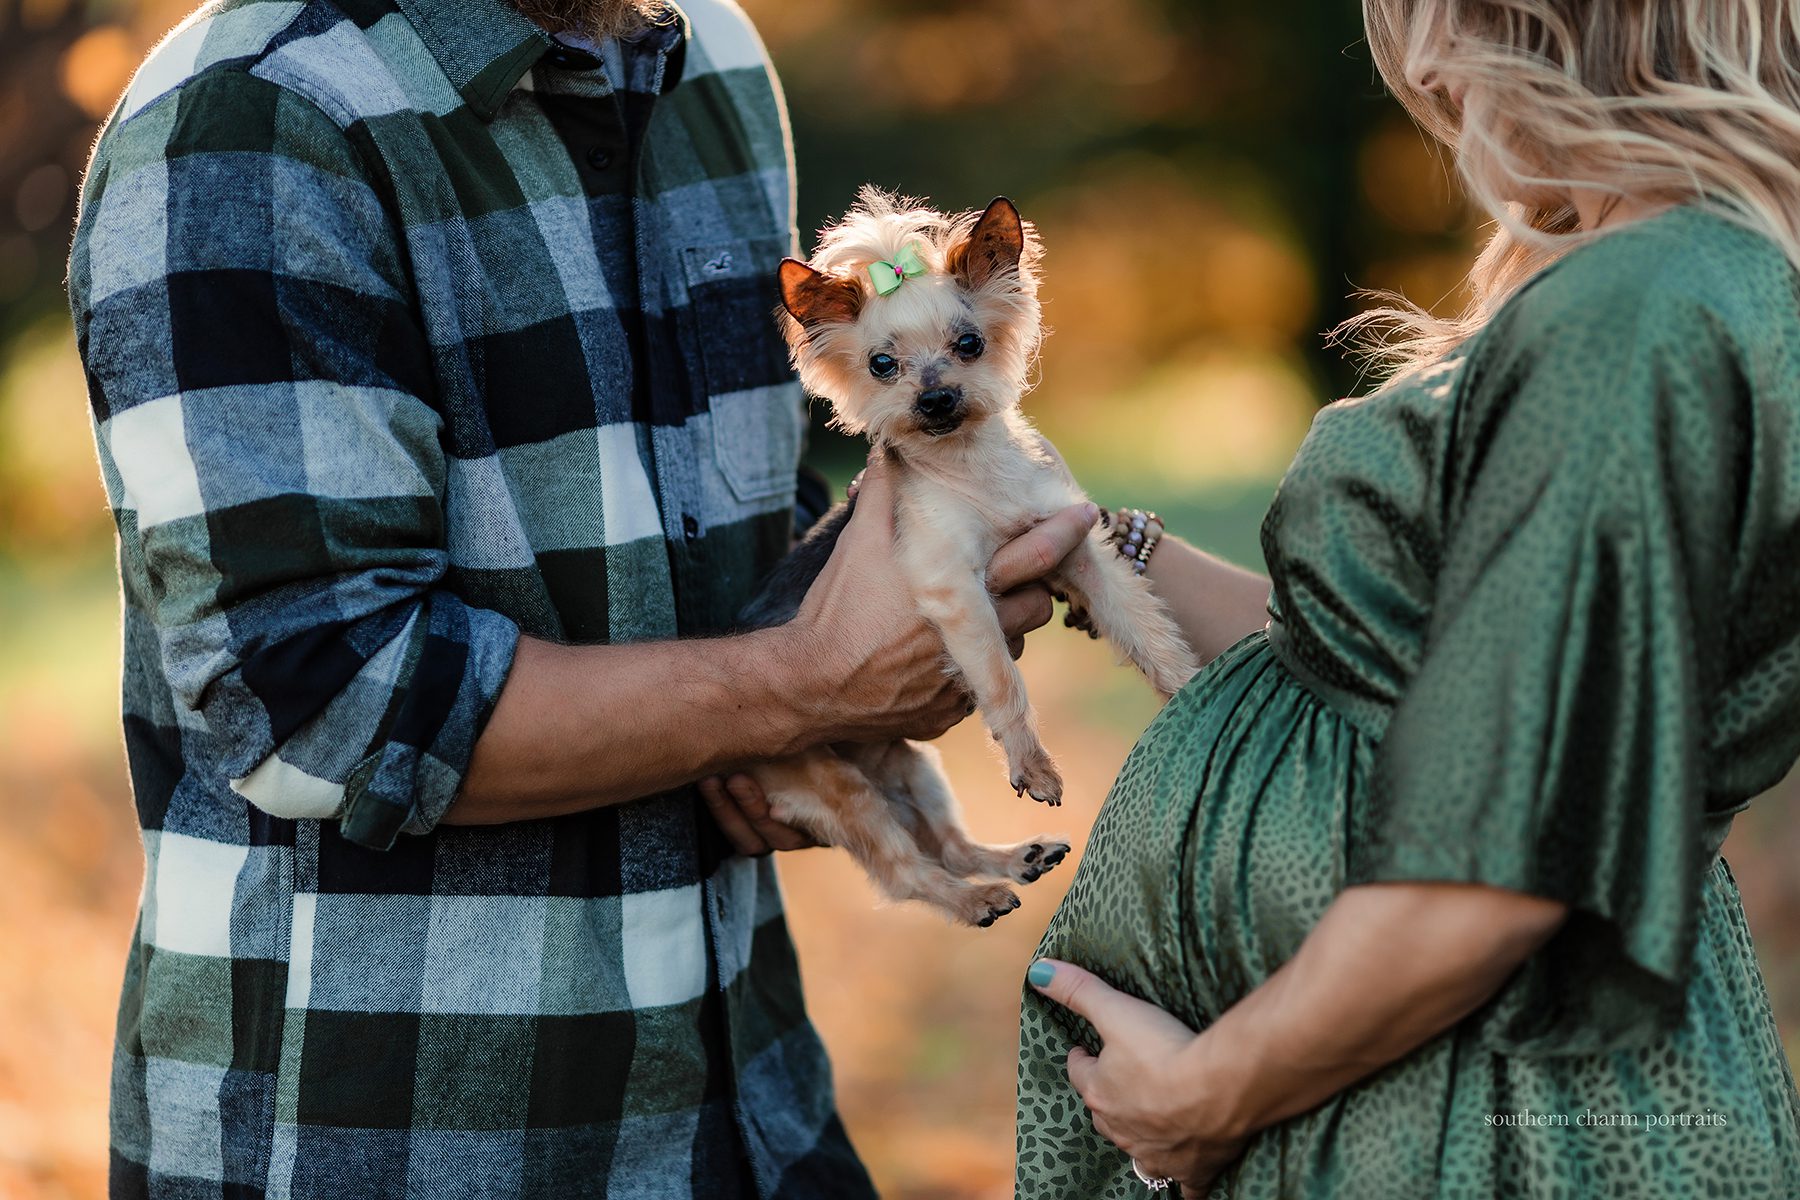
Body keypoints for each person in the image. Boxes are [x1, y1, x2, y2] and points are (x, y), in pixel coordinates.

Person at [66, 0, 1093, 1194]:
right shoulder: (248, 118)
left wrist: (840, 642)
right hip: (396, 1139)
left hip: (744, 1101)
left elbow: (752, 490)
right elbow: (323, 705)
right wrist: (799, 685)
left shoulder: (713, 58)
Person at [1014, 0, 1800, 1196]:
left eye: (1440, 28)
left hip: (1480, 1111)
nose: (1428, 76)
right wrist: (1098, 544)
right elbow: (1371, 680)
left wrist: (1204, 1094)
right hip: (1429, 1086)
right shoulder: (1674, 283)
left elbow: (1498, 868)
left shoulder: (1636, 314)